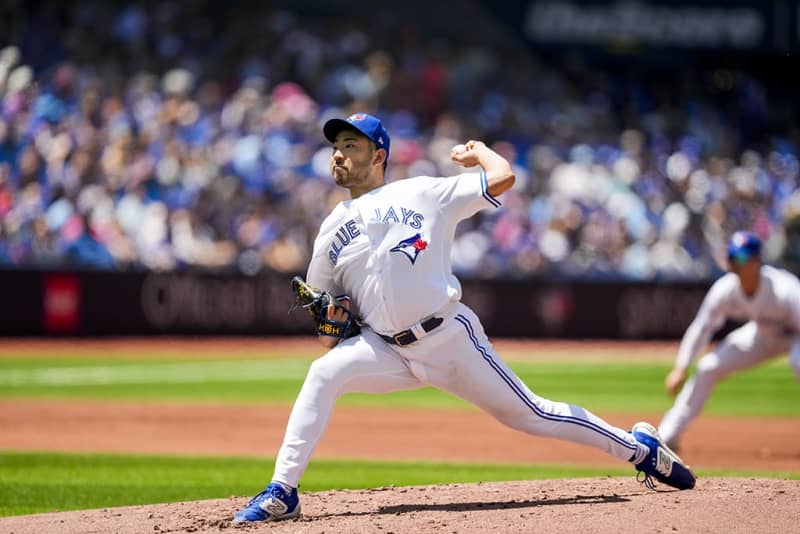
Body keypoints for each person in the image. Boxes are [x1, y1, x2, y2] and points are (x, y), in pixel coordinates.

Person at [234, 113, 695, 523]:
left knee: (531, 414)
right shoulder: (331, 228)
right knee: (323, 373)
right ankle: (283, 492)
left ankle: (638, 448)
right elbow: (326, 328)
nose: (338, 155)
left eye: (350, 145)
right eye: (335, 147)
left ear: (378, 155)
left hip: (447, 338)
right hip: (385, 348)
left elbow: (503, 177)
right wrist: (331, 323)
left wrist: (480, 152)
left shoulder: (423, 192)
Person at [659, 230, 800, 450]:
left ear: (756, 261)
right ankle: (668, 434)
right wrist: (681, 366)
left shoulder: (785, 289)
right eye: (731, 256)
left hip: (796, 337)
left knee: (797, 361)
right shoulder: (726, 288)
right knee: (708, 367)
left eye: (740, 257)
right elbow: (702, 327)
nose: (734, 262)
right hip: (763, 334)